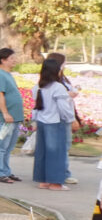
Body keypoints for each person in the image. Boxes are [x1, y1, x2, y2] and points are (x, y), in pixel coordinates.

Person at [31, 57, 76, 191]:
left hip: (42, 122)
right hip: (55, 123)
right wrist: (71, 119)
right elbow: (63, 108)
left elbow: (36, 107)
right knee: (56, 153)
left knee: (42, 152)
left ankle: (43, 180)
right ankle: (55, 183)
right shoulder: (57, 87)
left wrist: (35, 121)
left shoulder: (38, 87)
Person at [0, 47, 24, 184]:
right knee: (1, 145)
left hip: (13, 118)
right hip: (5, 119)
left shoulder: (7, 74)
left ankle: (6, 171)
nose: (14, 60)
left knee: (8, 147)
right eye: (11, 58)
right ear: (3, 60)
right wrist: (5, 113)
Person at [46, 52, 82, 184]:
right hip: (59, 117)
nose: (66, 64)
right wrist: (72, 118)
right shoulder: (53, 81)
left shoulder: (62, 79)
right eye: (64, 62)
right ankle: (61, 174)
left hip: (63, 116)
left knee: (63, 147)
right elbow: (58, 101)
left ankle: (60, 172)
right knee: (60, 147)